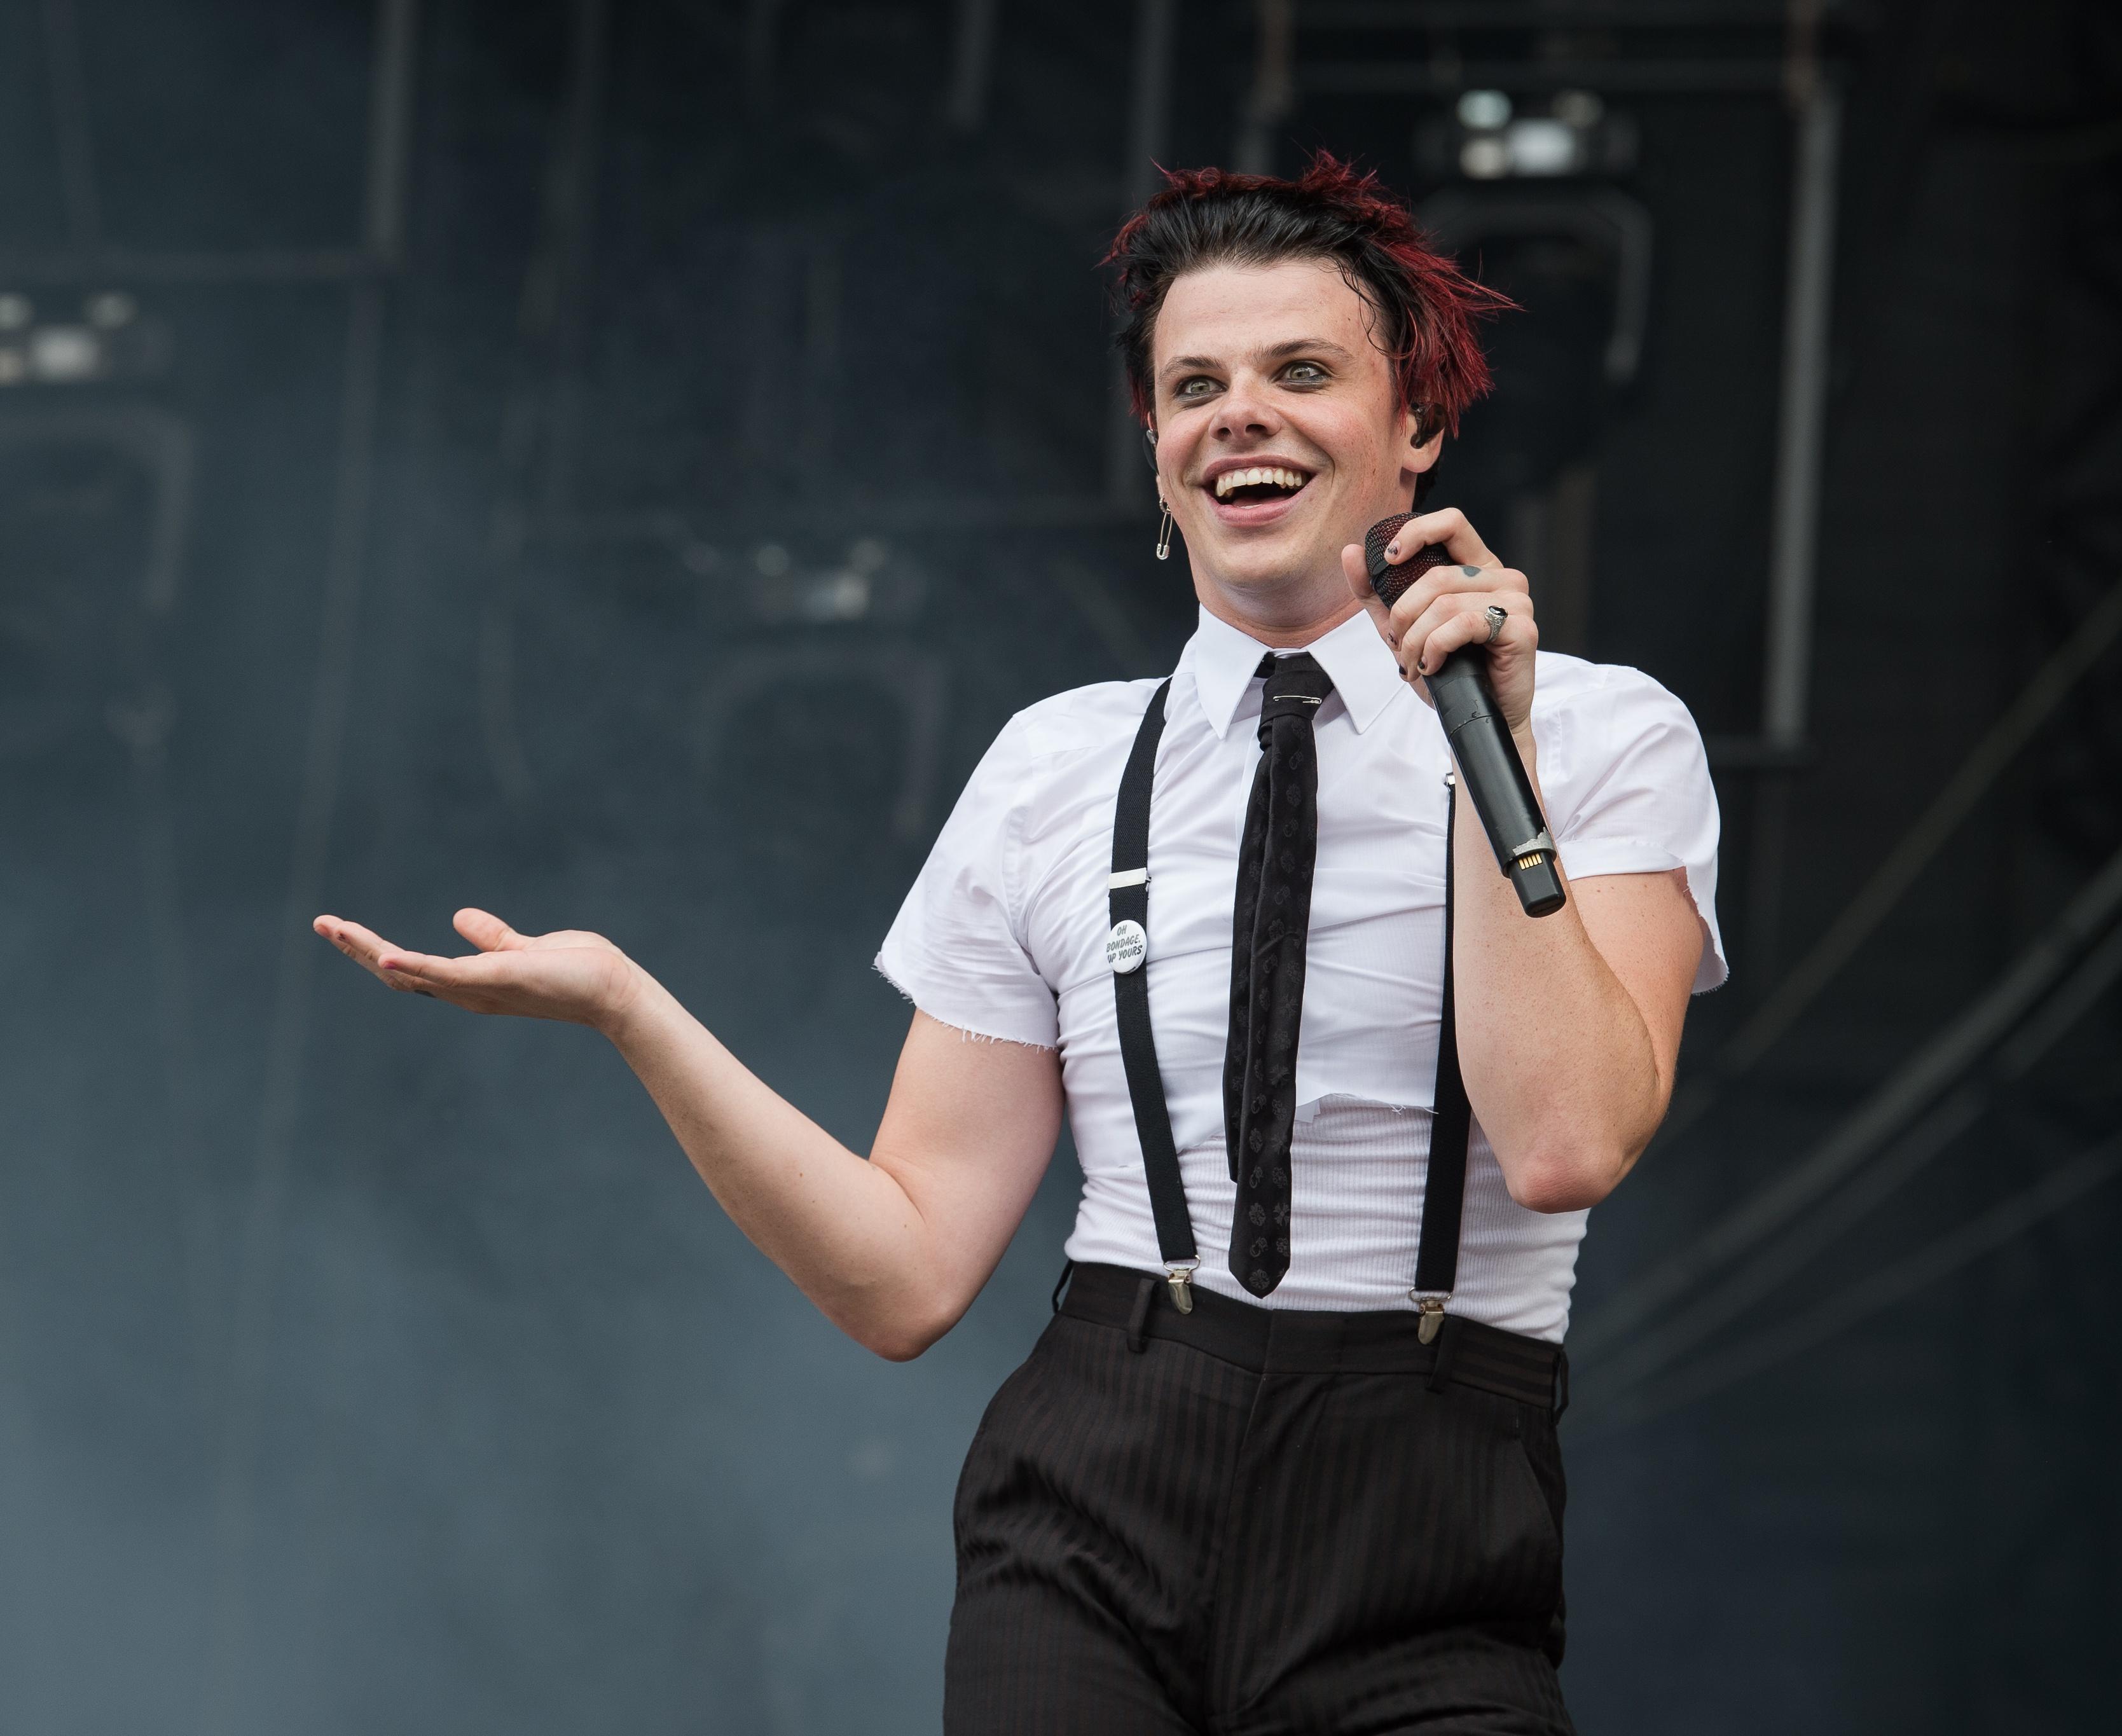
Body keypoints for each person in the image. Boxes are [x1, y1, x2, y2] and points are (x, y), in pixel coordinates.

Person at [315, 154, 1723, 1734]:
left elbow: (1566, 1140)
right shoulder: (1056, 767)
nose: (1238, 412)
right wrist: (631, 1011)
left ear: (1417, 428)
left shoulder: (1598, 737)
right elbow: (904, 1272)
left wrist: (1488, 753)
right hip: (1097, 1487)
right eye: (1195, 385)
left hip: (1429, 1496)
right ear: (1155, 446)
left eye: (1302, 372)